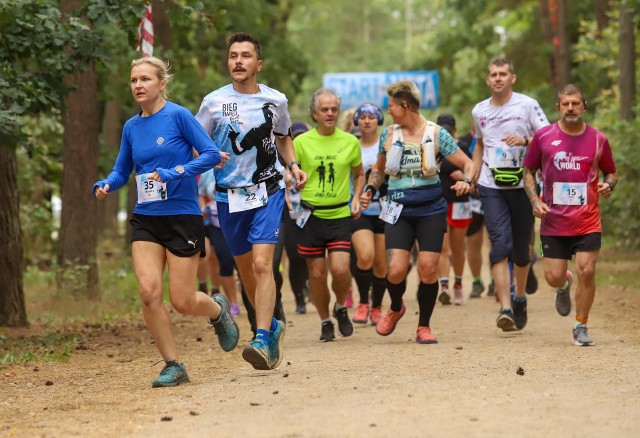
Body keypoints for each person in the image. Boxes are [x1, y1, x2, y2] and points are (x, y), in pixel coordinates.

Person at [93, 56, 237, 388]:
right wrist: (106, 184)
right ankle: (173, 364)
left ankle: (217, 310)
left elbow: (212, 154)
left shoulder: (179, 116)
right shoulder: (131, 127)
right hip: (147, 218)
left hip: (182, 217)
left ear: (162, 83)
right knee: (148, 292)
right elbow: (121, 170)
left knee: (183, 301)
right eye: (133, 80)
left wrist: (176, 172)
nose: (138, 85)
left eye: (145, 79)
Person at [195, 32, 307, 370]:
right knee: (247, 272)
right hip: (229, 197)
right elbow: (198, 144)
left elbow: (285, 139)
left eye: (245, 55)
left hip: (268, 191)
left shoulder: (276, 101)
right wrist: (208, 158)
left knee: (262, 266)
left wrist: (294, 165)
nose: (238, 61)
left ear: (258, 64)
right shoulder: (213, 102)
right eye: (233, 55)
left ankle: (260, 337)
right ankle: (272, 326)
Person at [361, 81, 475, 344]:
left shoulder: (436, 134)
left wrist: (465, 181)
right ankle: (396, 306)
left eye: (391, 106)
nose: (388, 112)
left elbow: (468, 164)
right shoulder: (388, 134)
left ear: (404, 106)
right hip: (398, 208)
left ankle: (424, 325)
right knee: (396, 271)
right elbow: (379, 170)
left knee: (427, 268)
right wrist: (369, 188)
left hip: (431, 209)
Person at [523, 84, 617, 346]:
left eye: (575, 103)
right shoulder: (543, 137)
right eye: (565, 104)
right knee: (553, 276)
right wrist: (534, 200)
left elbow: (611, 171)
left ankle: (581, 325)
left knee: (587, 270)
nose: (570, 108)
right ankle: (563, 285)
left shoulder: (598, 139)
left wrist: (609, 185)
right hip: (553, 220)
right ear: (558, 107)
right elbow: (527, 171)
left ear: (584, 106)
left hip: (587, 220)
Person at [471, 57, 549, 332]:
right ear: (487, 80)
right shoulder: (479, 110)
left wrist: (525, 141)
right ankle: (504, 308)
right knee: (499, 245)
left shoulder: (527, 105)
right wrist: (471, 176)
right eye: (493, 74)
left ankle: (519, 298)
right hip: (490, 186)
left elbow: (548, 137)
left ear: (512, 78)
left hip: (523, 186)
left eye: (503, 73)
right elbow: (480, 145)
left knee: (521, 250)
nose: (498, 78)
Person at [294, 88, 365, 342]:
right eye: (324, 109)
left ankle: (341, 306)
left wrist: (356, 198)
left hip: (339, 215)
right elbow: (291, 172)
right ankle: (325, 320)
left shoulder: (349, 141)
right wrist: (295, 181)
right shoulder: (300, 143)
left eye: (334, 109)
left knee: (341, 269)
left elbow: (359, 174)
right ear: (314, 113)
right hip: (310, 216)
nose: (330, 113)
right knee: (316, 274)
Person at [350, 103, 388, 325]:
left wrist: (383, 169)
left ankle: (377, 307)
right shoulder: (351, 145)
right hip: (360, 210)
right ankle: (363, 302)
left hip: (384, 209)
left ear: (378, 121)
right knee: (365, 256)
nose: (366, 121)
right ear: (356, 121)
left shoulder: (388, 145)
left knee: (381, 264)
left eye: (371, 117)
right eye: (362, 117)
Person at [435, 113, 473, 306]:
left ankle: (458, 284)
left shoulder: (463, 149)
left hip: (461, 203)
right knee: (443, 247)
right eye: (443, 131)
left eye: (449, 131)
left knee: (458, 247)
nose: (447, 134)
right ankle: (444, 287)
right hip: (440, 202)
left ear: (455, 131)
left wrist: (463, 177)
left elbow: (471, 174)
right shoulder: (432, 148)